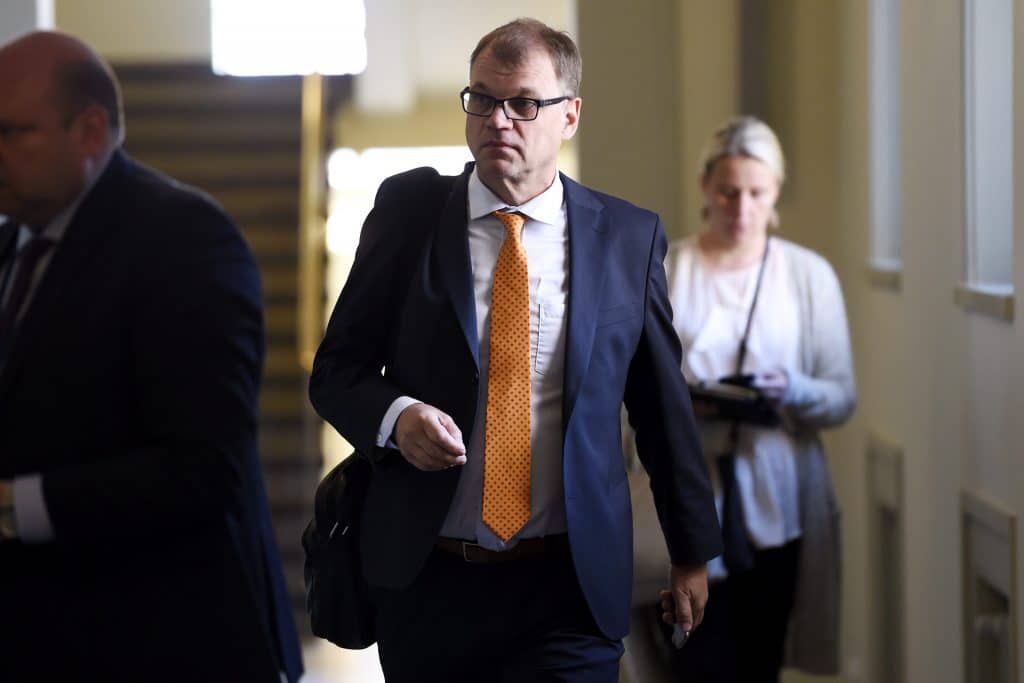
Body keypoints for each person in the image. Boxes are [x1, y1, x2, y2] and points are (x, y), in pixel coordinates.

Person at [309, 17, 721, 683]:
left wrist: (691, 551)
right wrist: (398, 417)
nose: (498, 120)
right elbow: (337, 371)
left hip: (567, 586)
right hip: (430, 579)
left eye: (524, 103)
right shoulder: (410, 213)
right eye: (482, 98)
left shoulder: (626, 238)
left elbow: (661, 408)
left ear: (569, 116)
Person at [0, 31, 302, 682]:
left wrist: (12, 508)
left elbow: (204, 467)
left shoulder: (184, 239)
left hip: (163, 641)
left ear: (89, 131)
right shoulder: (12, 247)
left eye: (11, 132)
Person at [660, 115, 856, 681]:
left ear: (776, 193)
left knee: (760, 661)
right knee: (693, 662)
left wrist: (789, 388)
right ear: (705, 186)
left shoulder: (808, 275)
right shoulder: (671, 268)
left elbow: (841, 397)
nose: (741, 208)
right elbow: (633, 387)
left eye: (756, 193)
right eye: (728, 191)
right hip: (688, 503)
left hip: (778, 501)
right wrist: (684, 403)